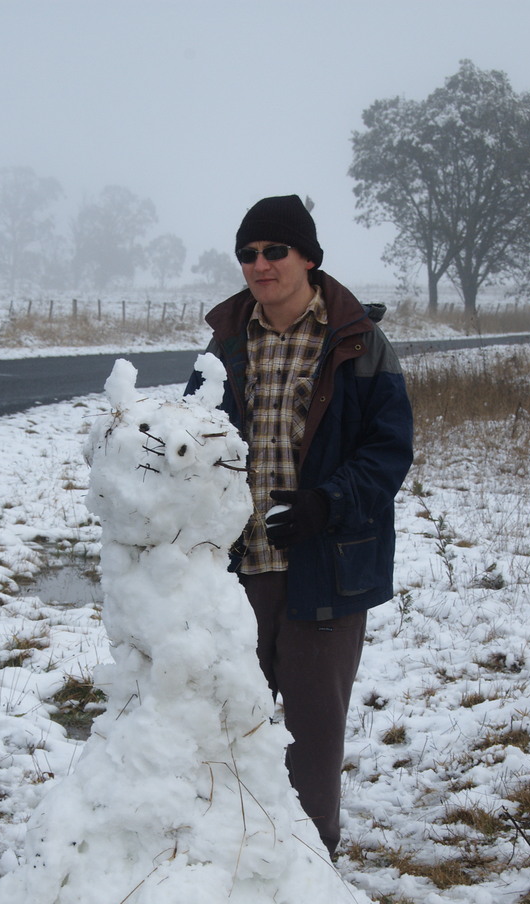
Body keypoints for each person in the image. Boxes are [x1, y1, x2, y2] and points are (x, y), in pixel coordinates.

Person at [186, 194, 413, 858]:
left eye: (274, 251)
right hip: (238, 569)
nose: (259, 264)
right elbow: (192, 438)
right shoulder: (225, 341)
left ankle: (313, 865)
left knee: (313, 734)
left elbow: (387, 451)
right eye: (248, 254)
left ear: (308, 257)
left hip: (327, 568)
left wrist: (324, 504)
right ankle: (228, 855)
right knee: (230, 720)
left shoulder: (360, 343)